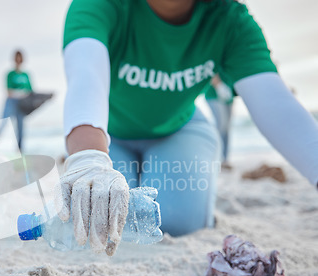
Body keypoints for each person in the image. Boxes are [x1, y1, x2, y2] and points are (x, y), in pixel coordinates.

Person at [57, 0, 318, 256]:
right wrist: (89, 159)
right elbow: (85, 76)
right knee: (105, 217)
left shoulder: (228, 18)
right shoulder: (96, 5)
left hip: (179, 130)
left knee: (173, 221)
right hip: (109, 139)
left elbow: (276, 104)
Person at [0, 50, 32, 151]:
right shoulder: (10, 74)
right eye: (17, 58)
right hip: (11, 102)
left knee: (20, 128)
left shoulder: (26, 75)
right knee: (3, 123)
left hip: (22, 104)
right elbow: (9, 91)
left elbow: (31, 91)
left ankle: (20, 151)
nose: (18, 60)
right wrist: (21, 93)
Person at [205, 73, 236, 168]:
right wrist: (219, 86)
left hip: (229, 93)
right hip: (214, 93)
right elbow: (210, 68)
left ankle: (225, 159)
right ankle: (214, 158)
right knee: (220, 126)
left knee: (226, 127)